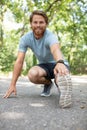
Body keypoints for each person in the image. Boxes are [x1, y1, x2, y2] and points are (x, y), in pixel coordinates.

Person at [4, 10, 72, 108]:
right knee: (32, 74)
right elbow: (19, 61)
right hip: (44, 66)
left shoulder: (50, 36)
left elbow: (55, 49)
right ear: (31, 24)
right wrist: (12, 84)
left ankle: (63, 88)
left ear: (46, 24)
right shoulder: (25, 39)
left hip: (59, 63)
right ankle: (48, 83)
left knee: (60, 76)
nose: (38, 25)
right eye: (35, 22)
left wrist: (60, 62)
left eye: (41, 22)